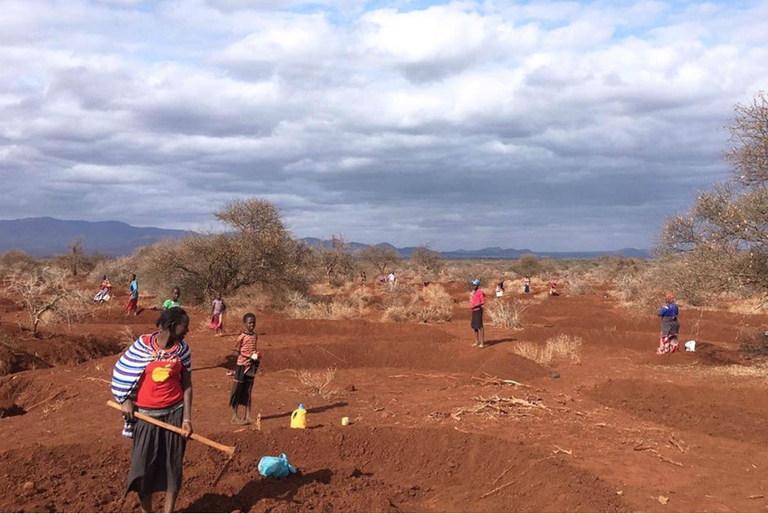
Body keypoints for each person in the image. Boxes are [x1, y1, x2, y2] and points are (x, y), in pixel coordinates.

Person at [110, 307, 193, 513]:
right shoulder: (142, 346)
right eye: (185, 326)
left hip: (174, 413)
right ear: (173, 326)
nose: (187, 331)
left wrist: (187, 419)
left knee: (172, 467)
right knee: (142, 470)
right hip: (145, 416)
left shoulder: (182, 350)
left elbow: (188, 385)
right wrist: (126, 400)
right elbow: (124, 373)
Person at [229, 313, 259, 425]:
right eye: (250, 322)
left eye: (253, 322)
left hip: (251, 366)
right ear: (244, 323)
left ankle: (248, 415)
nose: (252, 325)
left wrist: (255, 356)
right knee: (237, 390)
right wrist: (247, 357)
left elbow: (254, 349)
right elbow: (237, 352)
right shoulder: (241, 337)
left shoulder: (255, 336)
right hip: (241, 366)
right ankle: (234, 416)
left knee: (248, 390)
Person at [469, 278, 485, 348]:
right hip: (474, 310)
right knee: (475, 326)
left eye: (475, 285)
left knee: (480, 326)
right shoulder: (473, 293)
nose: (473, 286)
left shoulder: (480, 292)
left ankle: (482, 342)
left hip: (478, 310)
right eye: (473, 285)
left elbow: (482, 302)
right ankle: (476, 341)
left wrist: (476, 305)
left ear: (477, 285)